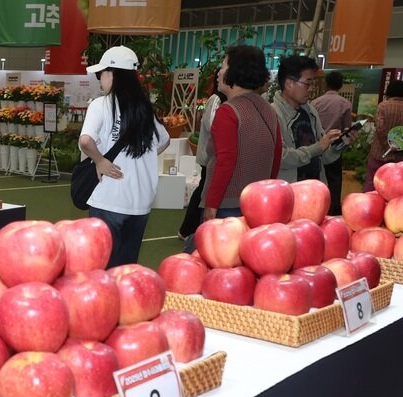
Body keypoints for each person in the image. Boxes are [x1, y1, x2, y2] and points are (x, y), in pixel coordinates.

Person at [78, 46, 169, 268]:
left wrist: (99, 160)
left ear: (112, 73)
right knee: (127, 270)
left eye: (101, 74)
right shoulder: (144, 108)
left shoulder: (101, 104)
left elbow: (86, 140)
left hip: (109, 197)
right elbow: (164, 140)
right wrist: (139, 161)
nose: (100, 80)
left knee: (103, 267)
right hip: (141, 201)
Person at [205, 45, 282, 220]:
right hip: (259, 202)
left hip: (228, 204)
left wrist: (211, 204)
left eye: (224, 66)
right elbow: (276, 156)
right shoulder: (269, 110)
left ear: (235, 71)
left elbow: (225, 161)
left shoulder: (228, 111)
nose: (219, 72)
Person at [271, 55, 343, 184]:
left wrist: (340, 144)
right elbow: (280, 158)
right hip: (289, 192)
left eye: (312, 84)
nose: (311, 89)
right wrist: (317, 148)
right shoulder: (272, 114)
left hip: (314, 190)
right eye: (307, 83)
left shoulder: (310, 111)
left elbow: (323, 156)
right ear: (289, 84)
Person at [178, 67, 226, 242]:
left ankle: (189, 229)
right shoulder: (216, 99)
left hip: (216, 155)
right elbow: (212, 126)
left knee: (203, 190)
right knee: (202, 192)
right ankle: (187, 229)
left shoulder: (226, 100)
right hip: (210, 156)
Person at [366, 79, 403, 192]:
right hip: (400, 155)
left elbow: (380, 128)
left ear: (389, 91)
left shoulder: (383, 106)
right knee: (395, 186)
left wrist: (388, 146)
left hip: (380, 153)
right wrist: (400, 146)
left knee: (373, 181)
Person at [311, 70, 353, 214]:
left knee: (317, 177)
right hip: (336, 145)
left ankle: (317, 207)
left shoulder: (315, 103)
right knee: (335, 178)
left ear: (326, 84)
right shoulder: (345, 103)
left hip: (317, 145)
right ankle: (334, 208)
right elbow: (348, 127)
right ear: (340, 86)